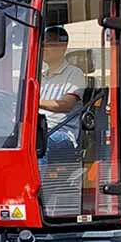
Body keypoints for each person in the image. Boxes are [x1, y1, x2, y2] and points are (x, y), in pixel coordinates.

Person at [38, 25, 85, 155]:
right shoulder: (40, 74)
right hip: (38, 127)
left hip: (61, 131)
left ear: (63, 47)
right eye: (43, 44)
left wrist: (33, 102)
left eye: (49, 44)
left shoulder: (74, 73)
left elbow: (66, 105)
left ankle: (38, 176)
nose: (44, 48)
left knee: (38, 142)